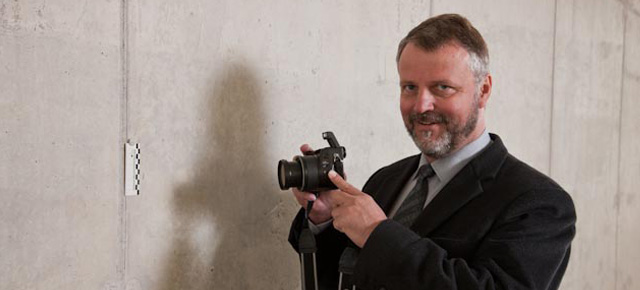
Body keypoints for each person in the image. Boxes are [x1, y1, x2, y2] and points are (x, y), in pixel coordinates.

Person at [288, 14, 576, 290]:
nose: (421, 105)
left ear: (483, 90)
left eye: (442, 87)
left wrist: (378, 234)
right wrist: (323, 220)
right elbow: (343, 277)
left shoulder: (539, 204)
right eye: (409, 87)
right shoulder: (385, 180)